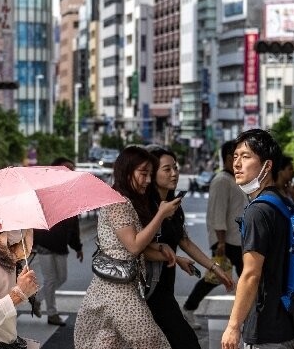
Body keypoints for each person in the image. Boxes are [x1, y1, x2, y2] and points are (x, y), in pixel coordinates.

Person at [73, 146, 182, 349]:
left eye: (150, 174)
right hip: (117, 291)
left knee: (108, 343)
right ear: (127, 170)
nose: (148, 180)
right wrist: (161, 215)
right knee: (153, 342)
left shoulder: (125, 200)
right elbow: (133, 246)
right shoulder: (118, 202)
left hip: (118, 288)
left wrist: (161, 249)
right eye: (143, 173)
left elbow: (133, 245)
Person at [145, 146, 233, 348]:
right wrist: (172, 257)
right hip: (144, 288)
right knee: (185, 341)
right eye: (167, 169)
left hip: (165, 286)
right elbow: (137, 247)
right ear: (152, 173)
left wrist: (214, 267)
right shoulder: (144, 206)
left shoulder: (174, 204)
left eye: (175, 168)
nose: (174, 173)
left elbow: (183, 241)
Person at [221, 129, 294, 349]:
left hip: (266, 327)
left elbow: (251, 274)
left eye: (246, 157)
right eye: (235, 156)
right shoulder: (283, 203)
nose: (237, 164)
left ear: (268, 165)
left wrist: (234, 326)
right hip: (288, 321)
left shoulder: (258, 211)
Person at [184, 141, 244, 324]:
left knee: (234, 276)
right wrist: (221, 241)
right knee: (217, 277)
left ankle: (247, 312)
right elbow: (218, 212)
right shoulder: (221, 181)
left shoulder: (233, 179)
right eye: (238, 156)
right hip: (226, 240)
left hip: (235, 238)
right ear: (228, 158)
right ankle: (189, 308)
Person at [31, 157, 83, 326]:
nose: (70, 172)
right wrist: (31, 243)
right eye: (66, 168)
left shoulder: (72, 194)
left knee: (62, 277)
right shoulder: (44, 191)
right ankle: (52, 313)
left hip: (61, 244)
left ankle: (37, 298)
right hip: (45, 242)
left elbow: (74, 225)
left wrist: (78, 247)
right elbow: (34, 218)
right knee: (51, 279)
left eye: (72, 169)